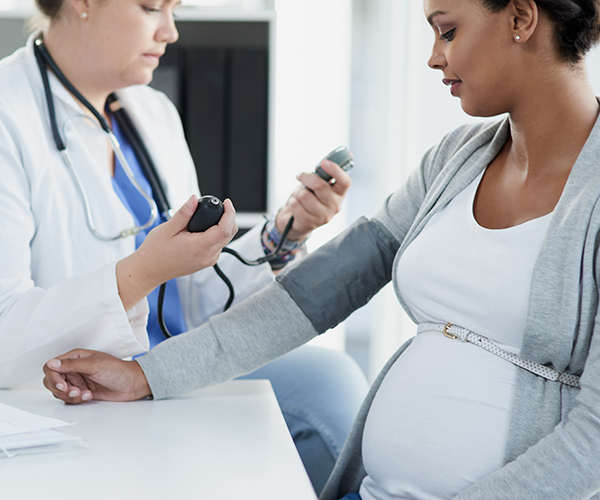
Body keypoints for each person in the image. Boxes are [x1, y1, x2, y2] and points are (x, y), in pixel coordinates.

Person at [43, 0, 600, 498]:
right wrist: (146, 376)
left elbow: (591, 446)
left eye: (447, 31)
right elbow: (314, 294)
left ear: (522, 19)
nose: (434, 58)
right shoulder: (454, 160)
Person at [0, 0, 369, 493]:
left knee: (333, 379)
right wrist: (142, 273)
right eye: (153, 8)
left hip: (172, 364)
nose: (171, 31)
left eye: (175, 9)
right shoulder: (8, 115)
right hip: (69, 396)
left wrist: (285, 234)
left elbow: (193, 301)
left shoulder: (152, 113)